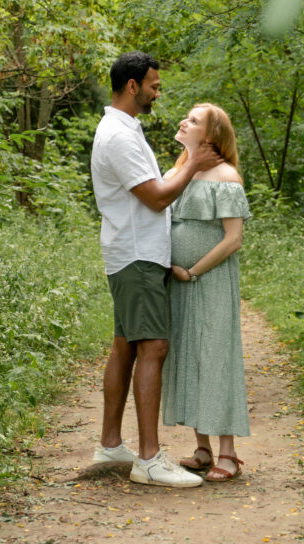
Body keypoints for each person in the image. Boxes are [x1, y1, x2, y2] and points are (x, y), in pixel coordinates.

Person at [90, 51, 220, 488]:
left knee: (126, 345)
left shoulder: (126, 129)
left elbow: (156, 182)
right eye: (153, 85)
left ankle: (111, 445)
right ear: (132, 86)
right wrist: (196, 166)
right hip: (137, 255)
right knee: (154, 348)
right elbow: (157, 197)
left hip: (133, 252)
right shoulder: (118, 136)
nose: (157, 92)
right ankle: (149, 459)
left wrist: (186, 160)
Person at [161, 103, 251, 481]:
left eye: (194, 120)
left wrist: (193, 271)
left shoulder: (226, 176)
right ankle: (202, 449)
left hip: (209, 279)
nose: (184, 122)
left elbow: (233, 239)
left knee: (215, 355)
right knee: (187, 355)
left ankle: (228, 454)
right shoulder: (176, 172)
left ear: (211, 136)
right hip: (177, 282)